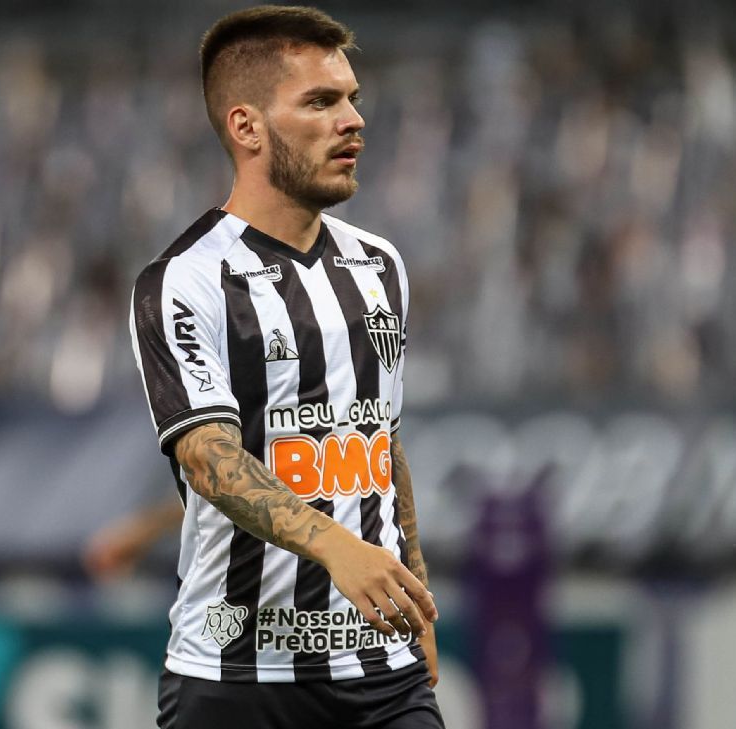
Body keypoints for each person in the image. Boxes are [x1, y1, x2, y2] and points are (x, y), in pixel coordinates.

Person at [128, 6, 443, 728]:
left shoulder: (380, 265)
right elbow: (208, 458)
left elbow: (382, 440)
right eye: (321, 102)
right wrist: (337, 548)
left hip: (382, 675)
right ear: (247, 127)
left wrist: (413, 592)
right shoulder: (184, 280)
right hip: (237, 676)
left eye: (352, 98)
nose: (353, 120)